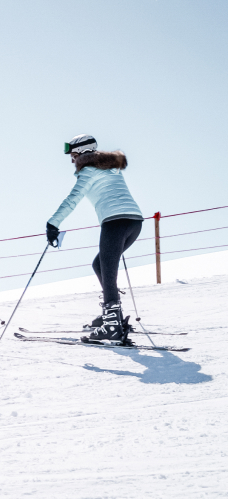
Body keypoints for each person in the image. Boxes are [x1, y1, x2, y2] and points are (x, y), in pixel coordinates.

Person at [46, 134, 144, 343]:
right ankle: (113, 317)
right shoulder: (111, 168)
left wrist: (53, 223)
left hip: (115, 222)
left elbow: (73, 199)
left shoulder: (88, 171)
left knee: (107, 270)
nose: (71, 159)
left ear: (82, 152)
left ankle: (112, 326)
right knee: (99, 264)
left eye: (73, 154)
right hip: (134, 222)